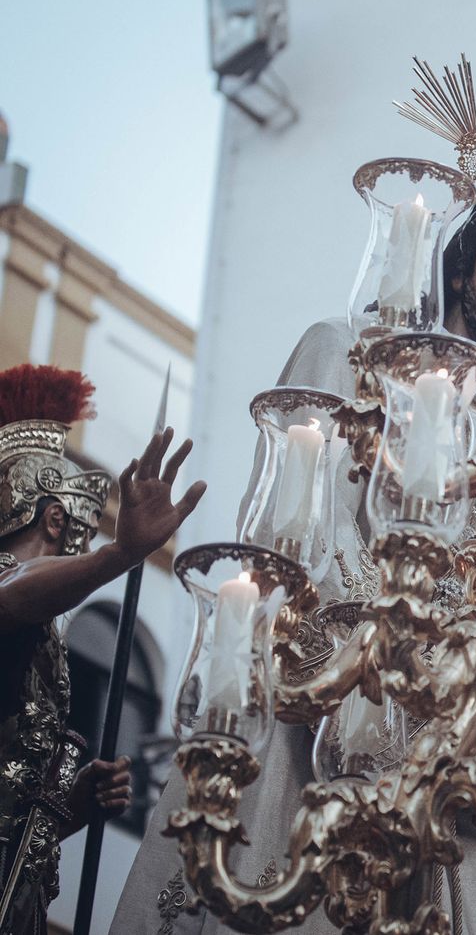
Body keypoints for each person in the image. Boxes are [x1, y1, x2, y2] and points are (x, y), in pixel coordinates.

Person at [111, 177, 476, 935]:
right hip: (314, 726)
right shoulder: (348, 354)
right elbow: (290, 532)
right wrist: (395, 672)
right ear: (464, 261)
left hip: (449, 768)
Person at [0, 364, 206, 935]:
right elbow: (15, 592)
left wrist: (74, 807)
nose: (85, 553)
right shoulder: (12, 588)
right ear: (56, 516)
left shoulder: (44, 639)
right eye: (83, 538)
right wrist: (119, 555)